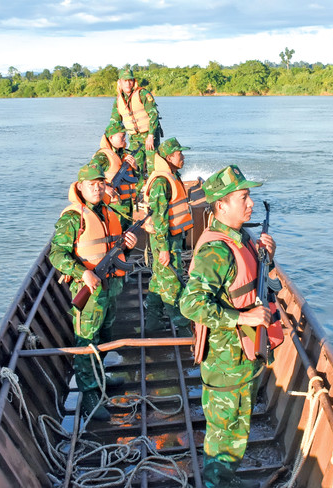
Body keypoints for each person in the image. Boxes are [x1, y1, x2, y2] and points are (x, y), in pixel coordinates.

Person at [179, 165, 278, 488]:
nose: (250, 204)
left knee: (235, 430)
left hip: (241, 358)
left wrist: (268, 258)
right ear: (221, 205)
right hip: (225, 361)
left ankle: (223, 480)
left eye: (249, 197)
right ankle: (215, 482)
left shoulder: (240, 238)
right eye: (243, 197)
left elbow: (247, 282)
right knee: (224, 435)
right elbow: (190, 304)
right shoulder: (216, 250)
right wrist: (243, 318)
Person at [49, 163, 137, 421]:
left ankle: (101, 378)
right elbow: (57, 253)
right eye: (92, 185)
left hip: (110, 289)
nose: (97, 188)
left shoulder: (108, 212)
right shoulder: (73, 217)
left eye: (101, 183)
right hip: (88, 292)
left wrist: (128, 247)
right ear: (80, 187)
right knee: (86, 343)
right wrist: (81, 272)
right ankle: (89, 395)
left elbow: (115, 252)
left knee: (106, 335)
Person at [142, 137, 193, 333]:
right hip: (166, 243)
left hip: (171, 241)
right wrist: (164, 249)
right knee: (173, 286)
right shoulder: (161, 182)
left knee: (157, 284)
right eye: (180, 154)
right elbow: (159, 219)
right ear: (170, 157)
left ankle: (152, 327)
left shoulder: (171, 176)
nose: (184, 157)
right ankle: (185, 334)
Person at [109, 67, 162, 191]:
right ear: (120, 82)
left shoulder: (143, 94)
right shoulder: (118, 101)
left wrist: (150, 136)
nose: (128, 83)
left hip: (150, 135)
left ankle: (154, 193)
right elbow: (114, 123)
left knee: (152, 165)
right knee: (134, 166)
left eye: (130, 80)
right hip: (134, 138)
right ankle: (138, 194)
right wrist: (111, 142)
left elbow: (154, 115)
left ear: (134, 81)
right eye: (125, 81)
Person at [91, 122, 138, 227]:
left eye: (125, 136)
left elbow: (136, 179)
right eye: (122, 136)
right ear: (111, 137)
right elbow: (90, 176)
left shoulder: (125, 155)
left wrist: (135, 167)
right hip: (114, 205)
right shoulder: (102, 156)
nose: (125, 139)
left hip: (127, 204)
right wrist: (105, 188)